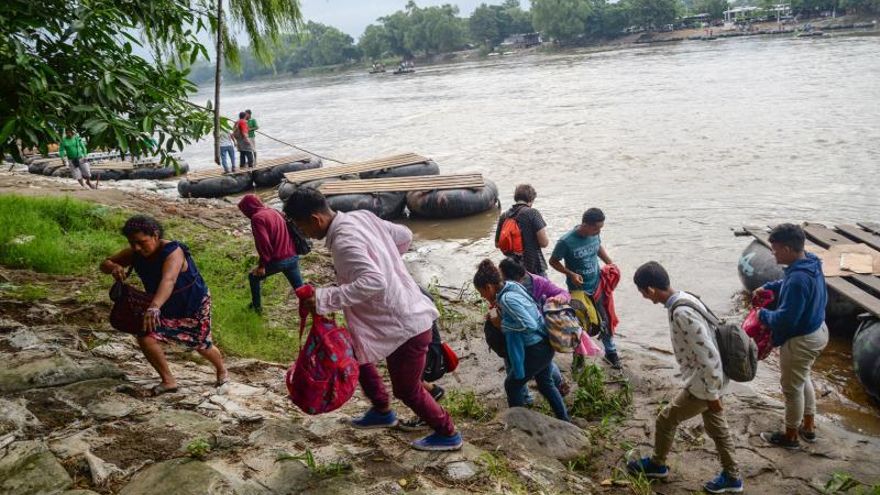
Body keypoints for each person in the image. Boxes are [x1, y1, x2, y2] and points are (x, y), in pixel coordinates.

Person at [284, 187, 461, 451]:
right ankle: (381, 410)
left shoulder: (343, 241)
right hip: (388, 318)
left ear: (315, 219)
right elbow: (404, 235)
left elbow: (374, 281)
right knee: (357, 353)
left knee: (406, 389)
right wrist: (387, 260)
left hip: (404, 324)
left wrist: (325, 297)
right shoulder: (362, 216)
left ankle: (447, 433)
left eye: (301, 227)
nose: (304, 234)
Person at [629, 261, 743, 494]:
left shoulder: (681, 312)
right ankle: (732, 477)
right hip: (712, 378)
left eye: (642, 292)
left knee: (666, 420)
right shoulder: (686, 297)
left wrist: (712, 393)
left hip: (705, 383)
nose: (643, 296)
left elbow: (708, 353)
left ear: (650, 290)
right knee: (717, 427)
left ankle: (657, 464)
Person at [100, 215, 228, 395]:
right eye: (132, 243)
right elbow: (105, 263)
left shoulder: (173, 252)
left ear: (155, 235)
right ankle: (168, 380)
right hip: (161, 304)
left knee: (201, 344)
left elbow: (169, 280)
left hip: (192, 304)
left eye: (141, 242)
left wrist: (154, 307)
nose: (137, 247)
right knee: (146, 336)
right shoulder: (134, 253)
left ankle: (221, 369)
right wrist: (113, 267)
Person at [757, 224, 829, 449]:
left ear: (788, 249)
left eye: (775, 249)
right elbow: (788, 283)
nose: (773, 253)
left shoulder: (798, 278)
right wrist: (769, 286)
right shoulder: (811, 262)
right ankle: (808, 426)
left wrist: (762, 315)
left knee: (791, 388)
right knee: (802, 377)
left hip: (802, 340)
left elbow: (785, 320)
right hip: (818, 330)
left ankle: (790, 437)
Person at [473, 259, 570, 422]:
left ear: (488, 287)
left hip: (536, 349)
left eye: (481, 292)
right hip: (545, 343)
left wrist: (501, 324)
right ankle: (564, 420)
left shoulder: (506, 299)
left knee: (512, 385)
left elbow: (529, 324)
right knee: (545, 384)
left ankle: (518, 424)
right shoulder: (513, 286)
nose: (482, 296)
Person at [549, 207, 621, 368]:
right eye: (596, 228)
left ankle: (611, 353)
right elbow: (553, 261)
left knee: (605, 319)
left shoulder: (595, 234)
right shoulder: (566, 241)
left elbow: (598, 247)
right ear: (585, 225)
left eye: (600, 228)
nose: (598, 231)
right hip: (578, 290)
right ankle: (579, 359)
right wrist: (570, 274)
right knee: (579, 325)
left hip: (597, 285)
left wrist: (610, 262)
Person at [498, 257, 570, 395]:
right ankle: (524, 396)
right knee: (512, 361)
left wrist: (560, 299)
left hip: (537, 334)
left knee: (544, 368)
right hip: (518, 335)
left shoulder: (538, 282)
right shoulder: (505, 288)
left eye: (503, 276)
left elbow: (563, 293)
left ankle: (559, 383)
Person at [238, 195, 304, 314]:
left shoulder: (257, 218)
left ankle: (256, 308)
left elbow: (264, 244)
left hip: (279, 260)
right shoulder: (274, 211)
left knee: (253, 277)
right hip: (292, 256)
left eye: (243, 210)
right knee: (300, 289)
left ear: (248, 208)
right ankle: (316, 309)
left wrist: (262, 266)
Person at [494, 184, 550, 277]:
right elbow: (544, 243)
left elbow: (497, 244)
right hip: (534, 268)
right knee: (546, 291)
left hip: (512, 270)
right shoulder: (532, 213)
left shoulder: (504, 216)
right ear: (531, 199)